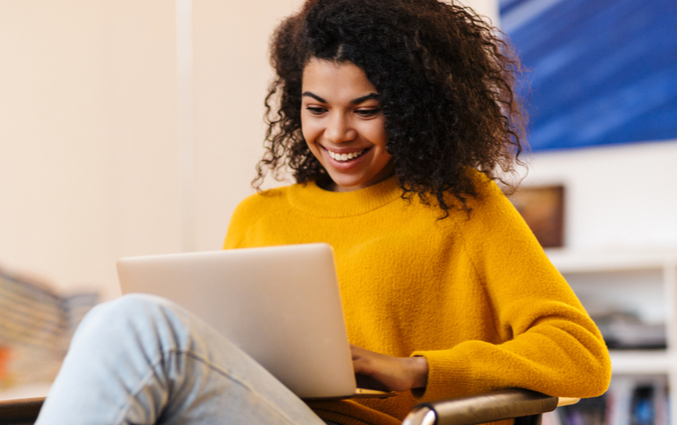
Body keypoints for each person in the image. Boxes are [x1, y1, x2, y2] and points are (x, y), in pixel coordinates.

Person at [35, 1, 612, 424]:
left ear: (414, 109)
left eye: (366, 110)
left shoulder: (463, 207)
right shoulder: (259, 215)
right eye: (317, 108)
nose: (337, 133)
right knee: (134, 332)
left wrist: (417, 370)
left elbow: (582, 356)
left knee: (132, 323)